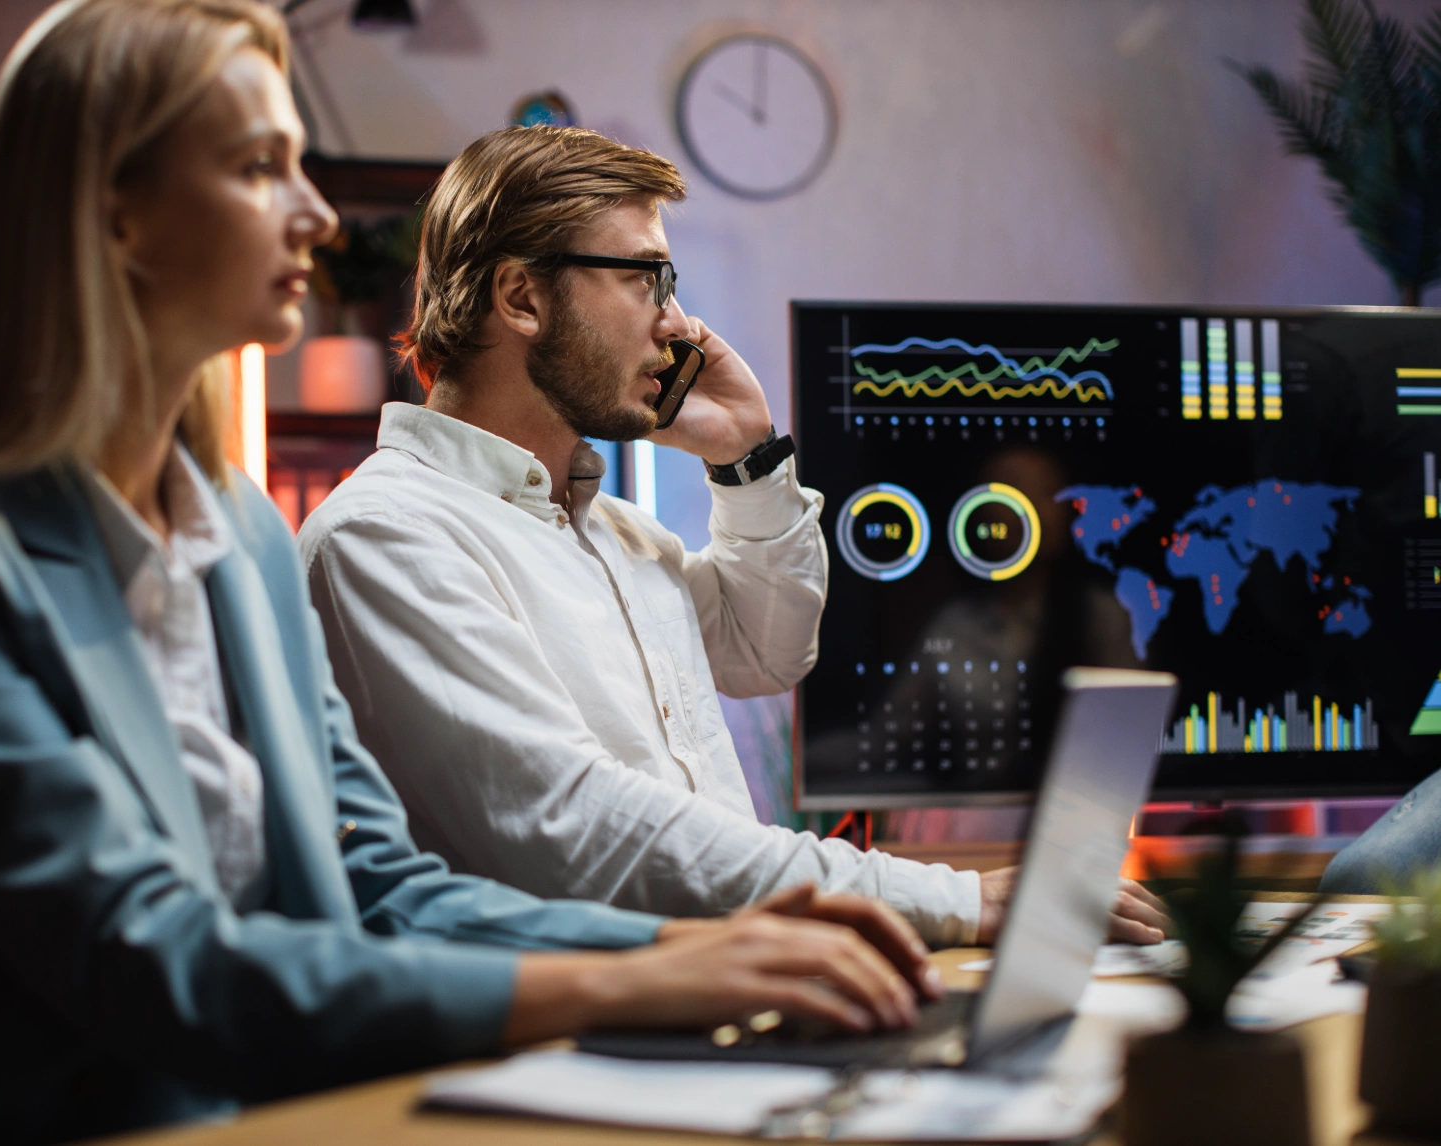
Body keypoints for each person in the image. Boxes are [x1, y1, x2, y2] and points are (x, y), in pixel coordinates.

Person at [0, 4, 944, 1143]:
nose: (317, 215)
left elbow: (377, 884)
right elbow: (138, 954)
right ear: (116, 214)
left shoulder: (239, 532)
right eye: (263, 166)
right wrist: (636, 978)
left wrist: (678, 961)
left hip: (260, 1112)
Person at [297, 126, 1170, 948]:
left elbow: (768, 650)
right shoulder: (385, 538)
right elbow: (576, 833)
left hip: (713, 1011)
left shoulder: (613, 532)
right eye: (647, 280)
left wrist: (747, 459)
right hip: (558, 1058)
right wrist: (948, 899)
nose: (678, 326)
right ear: (522, 296)